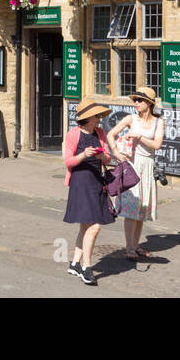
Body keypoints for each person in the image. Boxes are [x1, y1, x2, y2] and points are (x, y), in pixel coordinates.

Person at [63, 96, 116, 286]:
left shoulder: (100, 132)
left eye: (99, 116)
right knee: (94, 226)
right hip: (80, 182)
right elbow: (68, 161)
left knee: (86, 227)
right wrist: (83, 155)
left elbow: (108, 158)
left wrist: (102, 156)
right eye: (96, 116)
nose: (99, 119)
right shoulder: (73, 134)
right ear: (87, 118)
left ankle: (75, 264)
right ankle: (87, 267)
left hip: (97, 181)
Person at [108, 87, 164, 260]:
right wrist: (116, 153)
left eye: (140, 100)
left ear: (149, 103)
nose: (136, 103)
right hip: (132, 166)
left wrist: (140, 137)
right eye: (135, 100)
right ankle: (129, 247)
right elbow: (111, 134)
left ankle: (136, 245)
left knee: (141, 210)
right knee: (131, 209)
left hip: (147, 166)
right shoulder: (130, 119)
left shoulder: (158, 122)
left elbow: (157, 145)